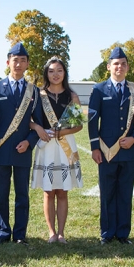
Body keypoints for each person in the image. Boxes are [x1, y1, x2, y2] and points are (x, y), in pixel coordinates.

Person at [88, 47, 134, 245]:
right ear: (108, 67)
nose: (119, 67)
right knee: (107, 193)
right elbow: (92, 119)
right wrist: (94, 147)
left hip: (128, 151)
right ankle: (107, 233)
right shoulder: (99, 89)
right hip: (106, 151)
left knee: (125, 193)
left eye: (123, 64)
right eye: (115, 64)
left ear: (127, 67)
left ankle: (123, 234)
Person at [0, 43, 41, 247]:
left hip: (22, 150)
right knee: (1, 193)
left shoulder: (33, 91)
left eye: (22, 60)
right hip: (0, 149)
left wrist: (29, 142)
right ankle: (2, 233)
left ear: (27, 64)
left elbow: (38, 123)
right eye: (14, 60)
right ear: (8, 62)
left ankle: (20, 233)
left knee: (22, 194)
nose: (18, 64)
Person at [30, 57, 84, 244]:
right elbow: (28, 120)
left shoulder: (72, 96)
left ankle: (61, 232)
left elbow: (78, 126)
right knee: (48, 191)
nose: (55, 74)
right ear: (46, 73)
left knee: (62, 191)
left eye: (59, 70)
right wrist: (37, 128)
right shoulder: (39, 94)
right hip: (46, 145)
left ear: (64, 73)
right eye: (52, 71)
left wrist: (62, 131)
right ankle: (51, 232)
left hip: (65, 145)